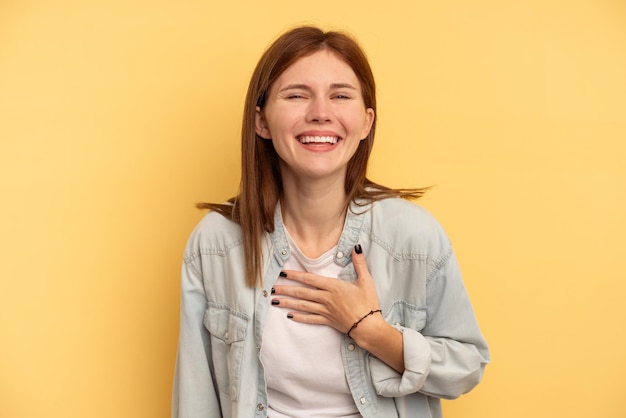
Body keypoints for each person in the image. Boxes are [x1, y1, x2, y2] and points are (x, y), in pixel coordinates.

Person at [172, 25, 490, 418]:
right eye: (296, 95)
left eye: (340, 96)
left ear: (366, 122)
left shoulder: (413, 238)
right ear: (262, 122)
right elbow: (195, 397)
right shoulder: (216, 244)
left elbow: (467, 366)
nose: (320, 113)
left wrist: (373, 332)